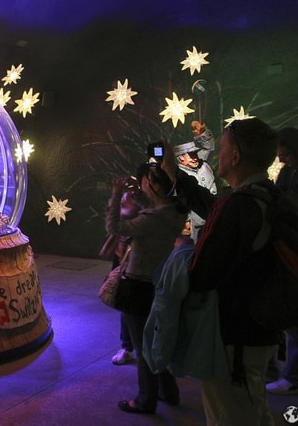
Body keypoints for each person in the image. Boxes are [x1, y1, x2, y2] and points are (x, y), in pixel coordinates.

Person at [161, 117, 282, 426]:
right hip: (259, 330)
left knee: (230, 414)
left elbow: (203, 274)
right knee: (253, 408)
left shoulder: (241, 205)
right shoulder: (264, 194)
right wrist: (174, 174)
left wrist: (182, 251)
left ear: (236, 156)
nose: (216, 155)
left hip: (236, 337)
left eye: (223, 148)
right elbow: (213, 206)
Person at [105, 163, 188, 414]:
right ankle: (169, 391)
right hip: (158, 283)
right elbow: (154, 208)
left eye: (146, 179)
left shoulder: (152, 219)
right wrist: (141, 198)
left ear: (156, 186)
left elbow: (114, 227)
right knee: (157, 342)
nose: (141, 182)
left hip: (138, 285)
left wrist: (116, 194)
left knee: (143, 346)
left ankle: (145, 399)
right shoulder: (173, 212)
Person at [266, 127, 298, 395]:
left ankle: (297, 376)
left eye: (284, 154)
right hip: (288, 250)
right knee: (293, 319)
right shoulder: (288, 172)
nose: (280, 158)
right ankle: (293, 373)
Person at [99, 185, 146, 365]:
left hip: (137, 264)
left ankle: (134, 348)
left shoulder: (143, 215)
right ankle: (127, 347)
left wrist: (119, 196)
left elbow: (115, 223)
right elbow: (114, 225)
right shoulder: (127, 217)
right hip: (124, 262)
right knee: (126, 307)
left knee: (132, 308)